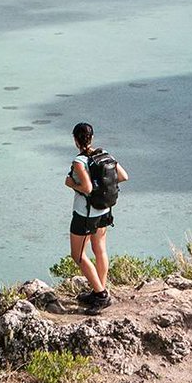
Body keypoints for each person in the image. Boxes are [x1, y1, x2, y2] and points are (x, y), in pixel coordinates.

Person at [65, 121, 128, 310]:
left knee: (77, 255)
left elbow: (87, 188)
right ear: (91, 138)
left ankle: (100, 295)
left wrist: (70, 184)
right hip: (104, 210)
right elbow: (124, 176)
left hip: (85, 214)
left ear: (76, 141)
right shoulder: (105, 155)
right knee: (100, 249)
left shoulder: (79, 162)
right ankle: (100, 289)